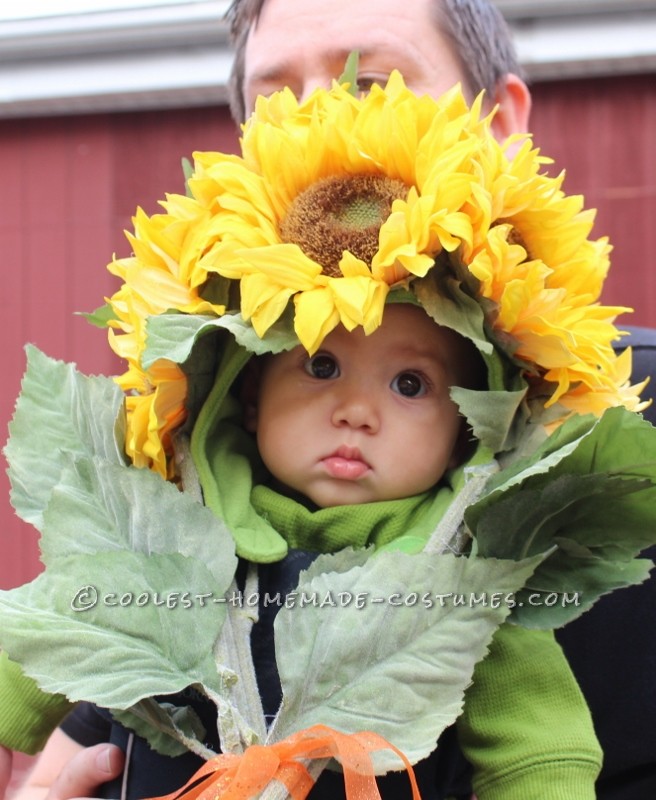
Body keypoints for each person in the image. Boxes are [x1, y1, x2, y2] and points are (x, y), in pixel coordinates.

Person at [1, 0, 655, 797]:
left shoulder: (588, 463)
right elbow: (82, 637)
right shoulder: (182, 467)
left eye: (373, 81)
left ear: (502, 122)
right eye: (276, 103)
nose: (326, 119)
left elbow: (538, 746)